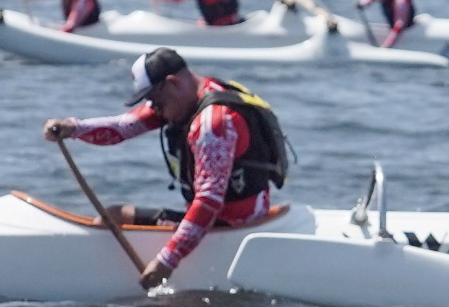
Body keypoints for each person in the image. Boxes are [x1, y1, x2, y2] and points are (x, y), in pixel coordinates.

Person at [42, 47, 289, 290]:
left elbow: (208, 202)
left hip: (232, 228)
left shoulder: (212, 125)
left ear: (172, 83)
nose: (154, 108)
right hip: (221, 220)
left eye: (155, 101)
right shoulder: (190, 95)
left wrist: (166, 261)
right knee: (113, 216)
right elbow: (122, 127)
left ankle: (89, 281)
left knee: (114, 218)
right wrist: (74, 128)